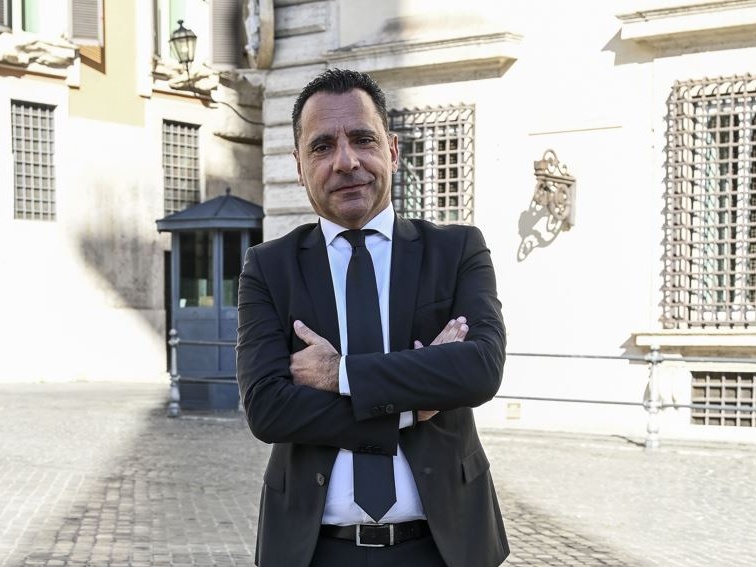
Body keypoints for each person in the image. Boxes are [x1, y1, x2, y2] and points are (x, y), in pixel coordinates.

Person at [236, 68, 508, 567]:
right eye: (322, 147)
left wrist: (338, 374)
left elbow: (480, 369)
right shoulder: (269, 268)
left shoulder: (456, 251)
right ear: (299, 166)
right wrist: (410, 406)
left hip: (445, 548)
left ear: (393, 150)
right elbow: (268, 408)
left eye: (363, 139)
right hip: (313, 550)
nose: (346, 161)